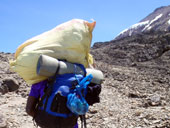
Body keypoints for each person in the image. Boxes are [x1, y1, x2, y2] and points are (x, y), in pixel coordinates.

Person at [26, 67, 101, 128]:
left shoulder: (41, 80)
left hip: (47, 123)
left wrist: (45, 118)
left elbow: (29, 110)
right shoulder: (80, 79)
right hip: (70, 124)